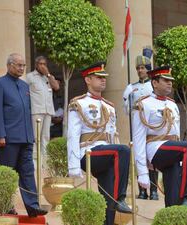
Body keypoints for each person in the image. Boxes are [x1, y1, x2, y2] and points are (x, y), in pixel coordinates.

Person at [67, 62, 132, 225]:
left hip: (107, 155)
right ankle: (121, 198)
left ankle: (110, 214)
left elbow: (113, 136)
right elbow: (73, 136)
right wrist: (73, 165)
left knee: (107, 196)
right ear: (88, 79)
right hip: (88, 152)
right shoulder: (79, 103)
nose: (103, 80)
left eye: (104, 77)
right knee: (123, 150)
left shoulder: (109, 106)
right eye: (98, 77)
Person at [132, 66, 187, 211]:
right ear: (154, 83)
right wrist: (143, 172)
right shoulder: (143, 104)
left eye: (171, 80)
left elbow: (175, 135)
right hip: (155, 148)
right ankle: (186, 196)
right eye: (165, 80)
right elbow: (138, 139)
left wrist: (182, 161)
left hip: (172, 151)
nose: (169, 83)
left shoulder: (172, 104)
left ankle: (174, 208)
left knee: (173, 197)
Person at [0, 53, 48, 217]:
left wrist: (31, 136)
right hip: (8, 138)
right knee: (7, 174)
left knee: (28, 172)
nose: (22, 68)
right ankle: (4, 204)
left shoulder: (24, 86)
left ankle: (33, 206)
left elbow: (27, 111)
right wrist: (0, 135)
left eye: (23, 65)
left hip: (25, 137)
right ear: (9, 65)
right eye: (18, 65)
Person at [122, 47, 159, 200]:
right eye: (137, 68)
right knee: (139, 157)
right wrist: (128, 98)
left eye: (142, 68)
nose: (139, 70)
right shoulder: (131, 87)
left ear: (148, 69)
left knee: (152, 158)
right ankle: (143, 190)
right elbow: (126, 109)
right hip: (138, 126)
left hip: (152, 126)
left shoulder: (153, 85)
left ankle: (154, 190)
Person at [26, 56, 59, 158]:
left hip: (48, 110)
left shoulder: (48, 77)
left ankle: (45, 158)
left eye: (45, 64)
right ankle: (35, 157)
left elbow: (57, 87)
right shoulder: (29, 76)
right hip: (36, 110)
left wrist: (48, 74)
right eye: (41, 64)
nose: (43, 66)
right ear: (36, 65)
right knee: (36, 136)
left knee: (45, 136)